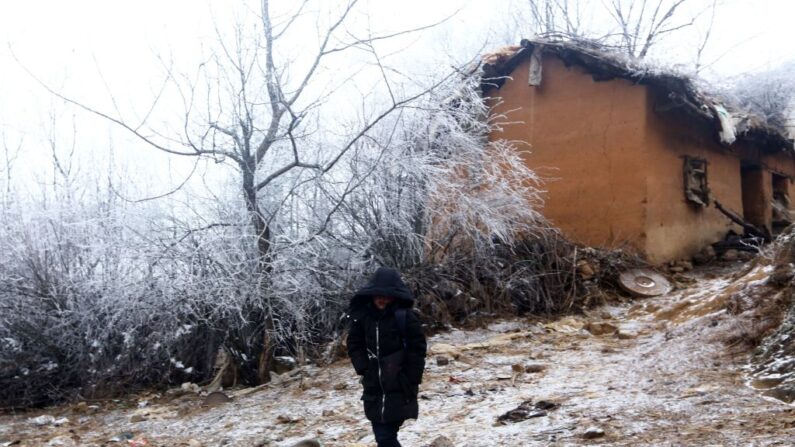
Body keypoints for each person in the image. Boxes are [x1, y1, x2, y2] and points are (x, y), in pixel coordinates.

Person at [347, 267, 427, 447]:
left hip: (399, 383)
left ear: (395, 296)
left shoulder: (405, 317)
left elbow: (418, 348)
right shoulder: (362, 317)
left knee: (385, 436)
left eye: (387, 295)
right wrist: (363, 367)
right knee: (382, 434)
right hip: (373, 384)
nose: (382, 299)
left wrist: (411, 378)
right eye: (378, 295)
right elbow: (354, 343)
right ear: (371, 295)